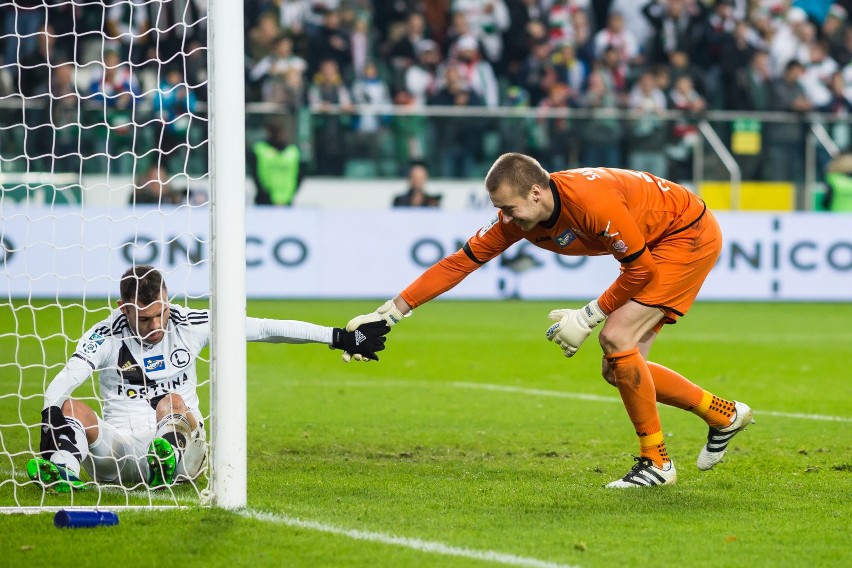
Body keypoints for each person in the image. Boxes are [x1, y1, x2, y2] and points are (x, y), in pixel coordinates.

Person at [343, 153, 755, 489]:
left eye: (509, 207)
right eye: (499, 209)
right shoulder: (519, 218)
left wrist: (590, 315)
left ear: (537, 192)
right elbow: (460, 262)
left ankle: (657, 463)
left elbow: (641, 270)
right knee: (619, 367)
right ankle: (722, 415)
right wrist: (391, 312)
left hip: (685, 235)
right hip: (657, 244)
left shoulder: (592, 202)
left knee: (614, 337)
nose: (505, 217)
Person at [27, 265, 388, 492]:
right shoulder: (104, 334)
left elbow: (265, 329)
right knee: (70, 407)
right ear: (124, 309)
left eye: (161, 314)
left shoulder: (189, 323)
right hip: (117, 452)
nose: (156, 326)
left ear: (168, 300)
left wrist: (339, 336)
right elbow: (68, 375)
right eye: (145, 319)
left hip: (181, 449)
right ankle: (62, 471)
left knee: (172, 402)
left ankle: (164, 459)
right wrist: (50, 414)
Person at [248, 118, 303, 206]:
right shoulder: (260, 149)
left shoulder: (292, 152)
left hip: (285, 199)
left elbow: (300, 176)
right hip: (266, 199)